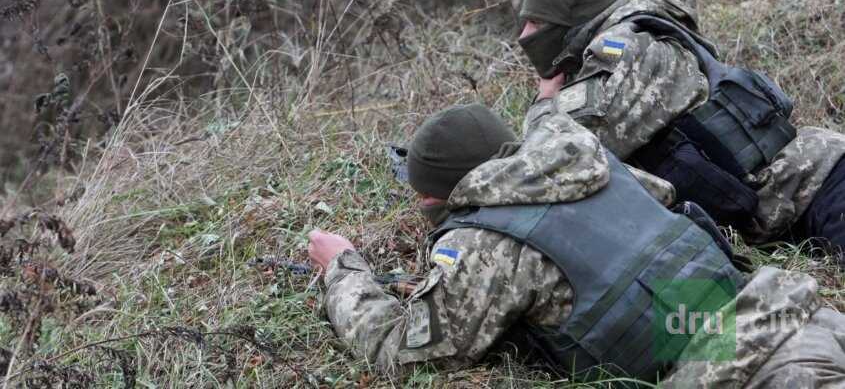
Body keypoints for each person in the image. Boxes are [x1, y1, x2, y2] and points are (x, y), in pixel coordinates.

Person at [309, 103, 845, 386]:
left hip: (744, 372)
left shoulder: (484, 241)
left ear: (443, 194)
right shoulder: (599, 166)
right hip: (797, 318)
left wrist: (342, 268)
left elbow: (404, 350)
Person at [515, 0, 845, 252]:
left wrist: (545, 101)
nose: (524, 35)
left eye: (538, 23)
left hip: (819, 185)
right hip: (789, 209)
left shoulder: (624, 50)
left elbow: (552, 156)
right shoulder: (637, 39)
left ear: (574, 18)